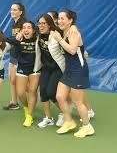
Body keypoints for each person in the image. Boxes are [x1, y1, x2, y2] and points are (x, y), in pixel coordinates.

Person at [50, 9, 95, 138]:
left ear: (70, 20)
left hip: (78, 71)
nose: (60, 21)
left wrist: (59, 39)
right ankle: (69, 121)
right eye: (59, 18)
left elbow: (72, 50)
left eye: (63, 18)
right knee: (59, 96)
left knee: (77, 101)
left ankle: (87, 127)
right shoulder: (65, 31)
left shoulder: (73, 32)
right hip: (69, 70)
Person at [34, 13, 66, 128]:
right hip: (46, 67)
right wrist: (21, 34)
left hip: (57, 68)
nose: (41, 26)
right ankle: (48, 118)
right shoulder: (38, 35)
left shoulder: (56, 34)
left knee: (51, 92)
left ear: (49, 25)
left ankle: (64, 114)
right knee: (43, 91)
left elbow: (68, 46)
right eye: (39, 23)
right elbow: (26, 32)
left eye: (44, 23)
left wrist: (82, 53)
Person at [6, 21, 40, 127]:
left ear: (33, 30)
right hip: (22, 68)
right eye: (24, 28)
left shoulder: (38, 39)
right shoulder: (18, 39)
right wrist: (18, 35)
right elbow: (5, 38)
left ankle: (29, 116)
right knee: (20, 93)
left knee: (32, 91)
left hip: (35, 69)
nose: (26, 29)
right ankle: (27, 107)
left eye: (29, 27)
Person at [3, 3, 27, 110]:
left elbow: (17, 40)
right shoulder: (14, 23)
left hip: (21, 56)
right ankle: (14, 102)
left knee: (21, 83)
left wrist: (3, 38)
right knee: (11, 79)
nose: (12, 11)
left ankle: (31, 99)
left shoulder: (24, 24)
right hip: (13, 54)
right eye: (11, 9)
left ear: (20, 12)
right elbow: (14, 39)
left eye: (15, 10)